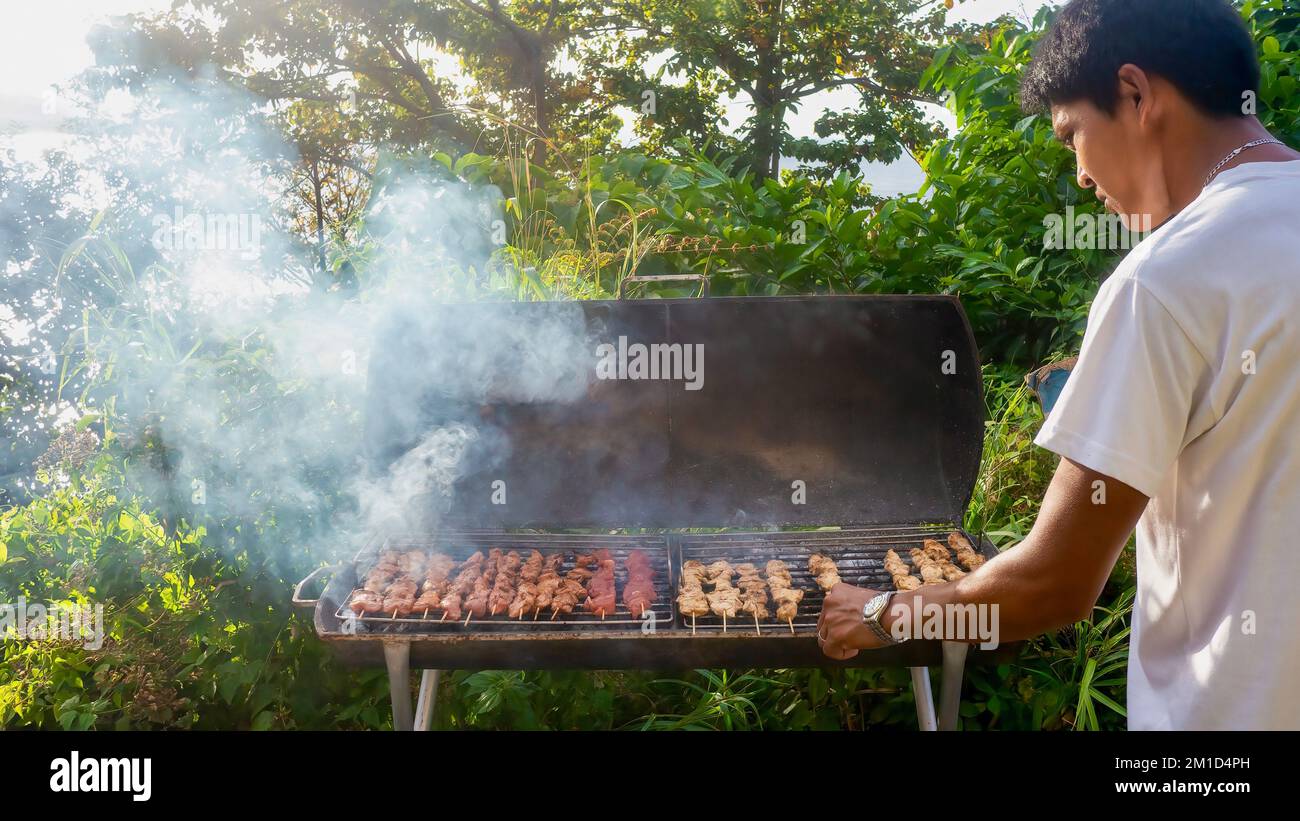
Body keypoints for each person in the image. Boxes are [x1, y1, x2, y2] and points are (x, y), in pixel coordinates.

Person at [817, 0, 1300, 730]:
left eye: (1072, 133)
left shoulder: (1165, 279)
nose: (1078, 173)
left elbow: (1055, 584)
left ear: (1137, 95)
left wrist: (888, 612)